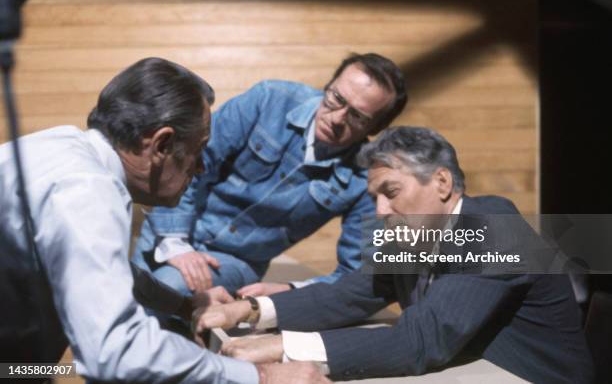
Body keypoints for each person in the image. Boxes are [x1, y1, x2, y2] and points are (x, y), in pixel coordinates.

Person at [0, 57, 329, 384]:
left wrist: (183, 306)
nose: (200, 169)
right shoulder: (89, 193)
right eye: (198, 151)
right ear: (162, 144)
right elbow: (116, 352)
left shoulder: (58, 143)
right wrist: (261, 376)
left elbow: (92, 264)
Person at [192, 126, 595, 383]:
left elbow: (422, 340)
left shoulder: (493, 227)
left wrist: (286, 346)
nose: (381, 212)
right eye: (375, 198)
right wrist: (247, 311)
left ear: (441, 182)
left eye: (392, 192)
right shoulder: (411, 235)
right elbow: (348, 294)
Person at [132, 52, 408, 297]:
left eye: (357, 116)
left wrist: (289, 291)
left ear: (377, 127)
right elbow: (183, 163)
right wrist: (175, 242)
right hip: (174, 226)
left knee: (166, 290)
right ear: (328, 86)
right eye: (336, 98)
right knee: (123, 297)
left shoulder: (366, 178)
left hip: (235, 261)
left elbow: (357, 272)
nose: (336, 119)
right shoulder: (269, 99)